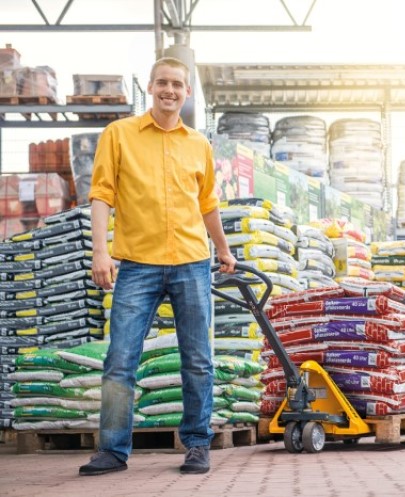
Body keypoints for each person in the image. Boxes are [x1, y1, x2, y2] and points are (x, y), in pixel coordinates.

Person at [79, 57, 237, 476]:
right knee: (120, 360)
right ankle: (113, 450)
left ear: (186, 93)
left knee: (198, 359)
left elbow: (208, 206)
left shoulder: (198, 144)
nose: (170, 90)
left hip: (191, 262)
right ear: (150, 87)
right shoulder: (119, 135)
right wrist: (100, 252)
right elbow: (101, 196)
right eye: (162, 82)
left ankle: (198, 445)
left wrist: (223, 250)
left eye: (177, 85)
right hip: (137, 264)